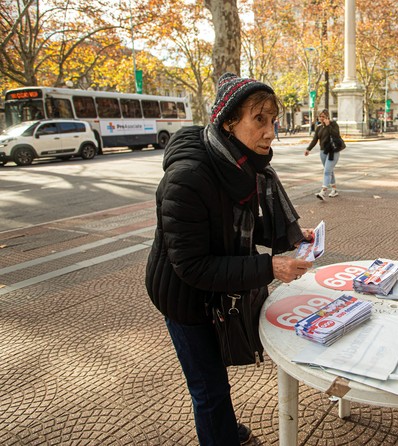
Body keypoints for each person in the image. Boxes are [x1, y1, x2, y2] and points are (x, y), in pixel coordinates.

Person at [145, 73, 315, 446]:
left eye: (273, 121)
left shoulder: (244, 167)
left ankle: (224, 430)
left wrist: (293, 236)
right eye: (259, 120)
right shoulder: (188, 178)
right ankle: (220, 434)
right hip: (184, 298)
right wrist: (269, 267)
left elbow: (248, 225)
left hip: (218, 291)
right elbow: (191, 266)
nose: (271, 133)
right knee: (208, 387)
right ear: (228, 122)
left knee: (215, 380)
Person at [304, 109, 343, 200]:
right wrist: (308, 149)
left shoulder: (333, 125)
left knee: (327, 171)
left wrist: (328, 125)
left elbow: (336, 135)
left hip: (333, 151)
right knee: (329, 170)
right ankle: (334, 190)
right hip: (323, 152)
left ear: (327, 117)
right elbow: (315, 140)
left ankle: (323, 191)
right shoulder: (319, 127)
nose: (321, 118)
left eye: (323, 117)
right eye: (320, 116)